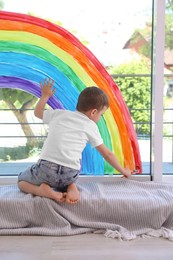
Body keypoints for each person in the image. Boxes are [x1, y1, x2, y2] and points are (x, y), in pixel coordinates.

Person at [18, 78, 132, 204]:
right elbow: (107, 154)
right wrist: (123, 170)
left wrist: (45, 96)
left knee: (22, 181)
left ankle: (42, 190)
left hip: (46, 169)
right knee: (67, 176)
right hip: (69, 173)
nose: (100, 118)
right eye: (102, 114)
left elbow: (38, 113)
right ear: (93, 112)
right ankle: (71, 186)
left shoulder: (59, 114)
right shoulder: (90, 126)